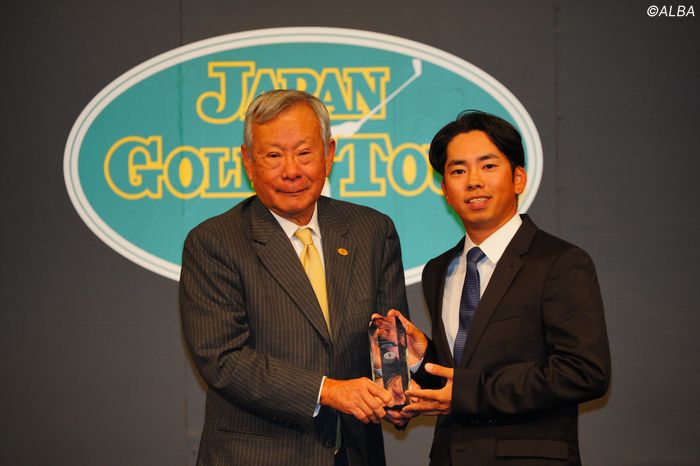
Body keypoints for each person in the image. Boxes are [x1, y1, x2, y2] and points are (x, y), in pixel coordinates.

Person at [179, 90, 409, 466]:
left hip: (354, 454)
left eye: (304, 153)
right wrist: (327, 391)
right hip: (256, 456)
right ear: (248, 161)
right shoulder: (215, 242)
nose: (291, 171)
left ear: (329, 154)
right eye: (273, 156)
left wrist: (397, 395)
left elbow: (389, 336)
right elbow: (223, 360)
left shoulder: (371, 230)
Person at [394, 110, 611, 465]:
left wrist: (467, 392)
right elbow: (461, 378)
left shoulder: (559, 261)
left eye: (488, 166)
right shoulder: (438, 270)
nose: (473, 181)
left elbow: (584, 372)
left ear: (518, 178)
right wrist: (422, 361)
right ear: (445, 190)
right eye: (458, 171)